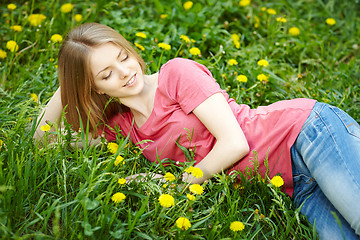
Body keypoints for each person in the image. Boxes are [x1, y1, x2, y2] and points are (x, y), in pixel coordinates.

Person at [33, 22, 360, 239]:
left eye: (123, 57)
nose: (125, 72)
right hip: (297, 187)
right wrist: (68, 88)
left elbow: (235, 143)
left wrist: (176, 183)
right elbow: (44, 141)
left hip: (307, 135)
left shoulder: (177, 74)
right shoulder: (122, 128)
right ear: (96, 88)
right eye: (106, 74)